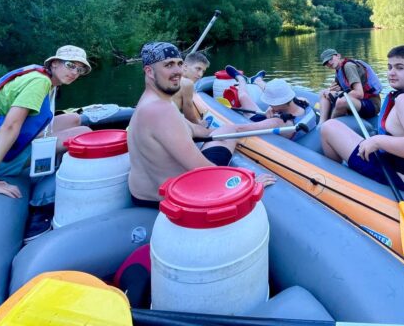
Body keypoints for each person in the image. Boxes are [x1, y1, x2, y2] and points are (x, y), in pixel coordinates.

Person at [127, 42, 274, 208]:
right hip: (171, 198)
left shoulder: (149, 101)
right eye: (168, 65)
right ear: (149, 71)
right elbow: (202, 170)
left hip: (142, 193)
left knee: (227, 130)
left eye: (179, 64)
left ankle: (263, 124)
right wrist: (247, 183)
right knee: (229, 135)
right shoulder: (161, 110)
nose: (178, 71)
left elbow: (194, 129)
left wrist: (216, 131)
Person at [321, 45, 404, 196]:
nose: (391, 73)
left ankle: (336, 179)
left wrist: (377, 141)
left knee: (329, 127)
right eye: (390, 67)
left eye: (400, 68)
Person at [0, 45, 92, 199]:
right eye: (70, 65)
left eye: (80, 69)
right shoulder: (39, 83)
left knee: (74, 119)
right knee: (84, 133)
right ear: (55, 63)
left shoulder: (44, 76)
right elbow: (10, 127)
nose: (75, 73)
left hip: (3, 142)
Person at [224, 66, 318, 139]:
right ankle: (257, 80)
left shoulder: (278, 122)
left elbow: (239, 129)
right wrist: (272, 108)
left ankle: (241, 79)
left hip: (262, 123)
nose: (269, 105)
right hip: (278, 116)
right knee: (273, 91)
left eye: (271, 103)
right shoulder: (303, 101)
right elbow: (282, 99)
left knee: (243, 97)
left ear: (277, 104)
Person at [317, 48, 382, 125]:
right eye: (326, 62)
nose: (329, 63)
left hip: (372, 104)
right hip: (357, 102)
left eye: (330, 59)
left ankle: (329, 126)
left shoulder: (348, 67)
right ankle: (321, 124)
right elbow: (339, 89)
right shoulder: (339, 70)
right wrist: (332, 90)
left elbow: (359, 93)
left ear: (338, 56)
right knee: (323, 93)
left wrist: (337, 94)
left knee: (341, 101)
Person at [172, 51, 210, 125]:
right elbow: (190, 118)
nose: (200, 75)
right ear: (185, 67)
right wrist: (200, 124)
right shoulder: (187, 84)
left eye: (203, 71)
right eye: (198, 69)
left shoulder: (169, 78)